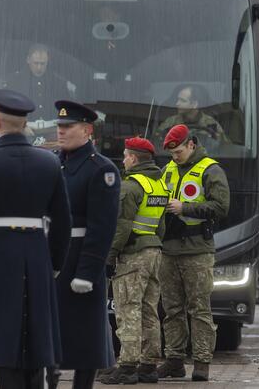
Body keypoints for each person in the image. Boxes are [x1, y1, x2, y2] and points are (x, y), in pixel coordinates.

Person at [0, 90, 72, 389]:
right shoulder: (49, 163)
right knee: (36, 334)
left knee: (2, 333)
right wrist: (53, 263)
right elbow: (63, 222)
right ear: (25, 124)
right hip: (36, 253)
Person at [54, 100, 121, 389]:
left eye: (68, 127)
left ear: (87, 130)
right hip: (54, 259)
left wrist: (87, 271)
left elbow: (101, 227)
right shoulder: (53, 163)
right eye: (59, 126)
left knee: (85, 339)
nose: (61, 131)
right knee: (51, 335)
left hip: (82, 262)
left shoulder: (100, 170)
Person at [157, 124, 230, 382]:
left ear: (191, 144)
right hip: (169, 249)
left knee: (199, 309)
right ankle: (174, 360)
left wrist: (185, 208)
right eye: (172, 153)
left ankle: (202, 363)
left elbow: (221, 206)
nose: (175, 157)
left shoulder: (210, 170)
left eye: (178, 152)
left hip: (197, 250)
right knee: (171, 308)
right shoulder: (167, 170)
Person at [100, 138, 168, 384]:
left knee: (128, 308)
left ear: (135, 158)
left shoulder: (130, 186)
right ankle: (148, 366)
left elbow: (122, 226)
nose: (124, 160)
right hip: (154, 252)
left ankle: (127, 366)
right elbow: (161, 225)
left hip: (133, 255)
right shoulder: (158, 185)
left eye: (126, 155)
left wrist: (110, 256)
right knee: (150, 311)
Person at [3, 44, 75, 119]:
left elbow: (65, 108)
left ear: (48, 61)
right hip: (22, 128)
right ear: (28, 60)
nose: (39, 67)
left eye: (42, 63)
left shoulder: (59, 83)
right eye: (36, 63)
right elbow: (7, 110)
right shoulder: (14, 82)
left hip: (52, 128)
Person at [155, 85, 229, 149]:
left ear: (194, 104)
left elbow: (224, 147)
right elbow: (156, 141)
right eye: (178, 99)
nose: (177, 103)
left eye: (182, 100)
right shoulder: (171, 122)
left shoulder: (211, 123)